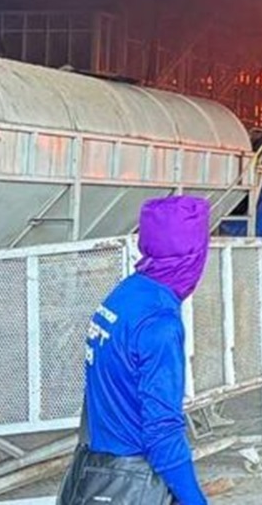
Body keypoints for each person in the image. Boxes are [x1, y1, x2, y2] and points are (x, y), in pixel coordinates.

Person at [57, 196, 211, 505]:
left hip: (93, 467)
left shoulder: (123, 295)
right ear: (194, 255)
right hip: (131, 481)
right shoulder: (160, 324)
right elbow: (162, 429)